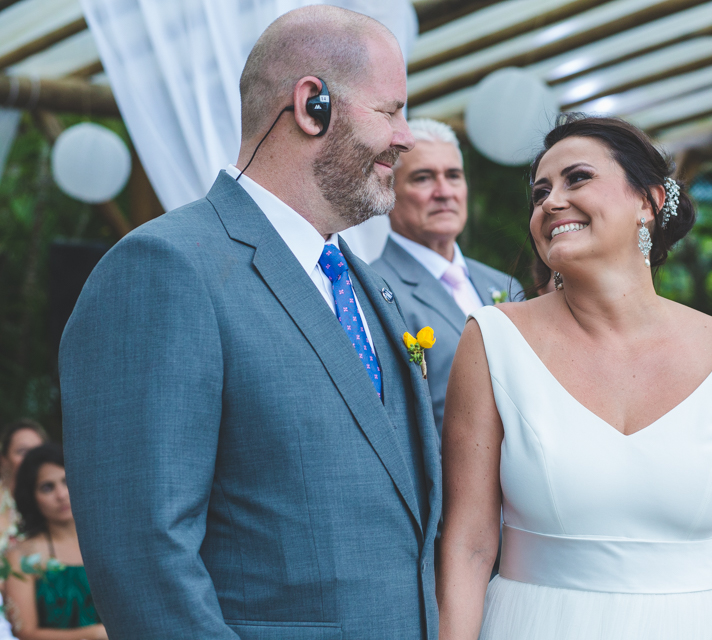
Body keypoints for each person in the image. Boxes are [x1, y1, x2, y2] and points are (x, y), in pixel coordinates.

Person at [59, 6, 440, 640]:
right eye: (389, 111)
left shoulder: (362, 284)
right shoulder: (165, 269)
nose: (405, 136)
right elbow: (144, 556)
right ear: (311, 104)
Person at [436, 115, 712, 640]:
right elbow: (469, 546)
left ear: (648, 202)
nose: (550, 201)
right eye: (540, 191)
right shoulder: (494, 340)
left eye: (578, 178)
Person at [372, 118, 522, 433]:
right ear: (389, 189)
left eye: (453, 176)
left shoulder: (504, 285)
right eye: (423, 178)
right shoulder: (374, 289)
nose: (444, 192)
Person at [4, 443, 104, 640]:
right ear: (32, 496)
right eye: (47, 487)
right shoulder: (21, 556)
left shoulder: (108, 543)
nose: (61, 494)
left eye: (67, 481)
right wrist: (93, 634)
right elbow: (24, 632)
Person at [0, 419, 47, 553]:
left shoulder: (57, 502)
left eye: (38, 451)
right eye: (22, 451)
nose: (31, 458)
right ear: (3, 460)